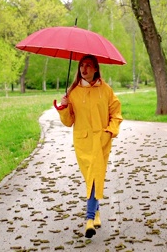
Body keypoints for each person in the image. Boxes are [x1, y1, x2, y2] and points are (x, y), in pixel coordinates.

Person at [55, 54, 123, 238]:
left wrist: (110, 131)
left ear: (95, 69)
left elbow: (116, 114)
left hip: (101, 141)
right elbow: (69, 122)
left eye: (88, 65)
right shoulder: (74, 92)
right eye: (82, 65)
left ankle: (89, 220)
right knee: (90, 178)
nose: (84, 69)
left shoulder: (106, 91)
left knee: (95, 176)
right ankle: (97, 211)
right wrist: (64, 107)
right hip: (83, 142)